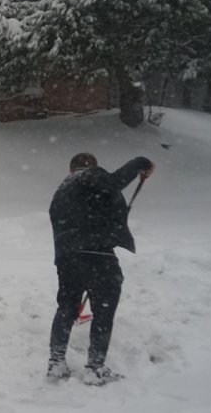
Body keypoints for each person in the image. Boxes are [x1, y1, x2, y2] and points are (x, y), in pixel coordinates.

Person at [47, 152, 154, 385]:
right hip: (97, 256)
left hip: (67, 258)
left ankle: (56, 363)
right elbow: (113, 182)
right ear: (89, 168)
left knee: (66, 307)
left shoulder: (61, 191)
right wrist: (141, 163)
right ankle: (95, 367)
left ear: (70, 169)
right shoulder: (89, 176)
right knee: (104, 311)